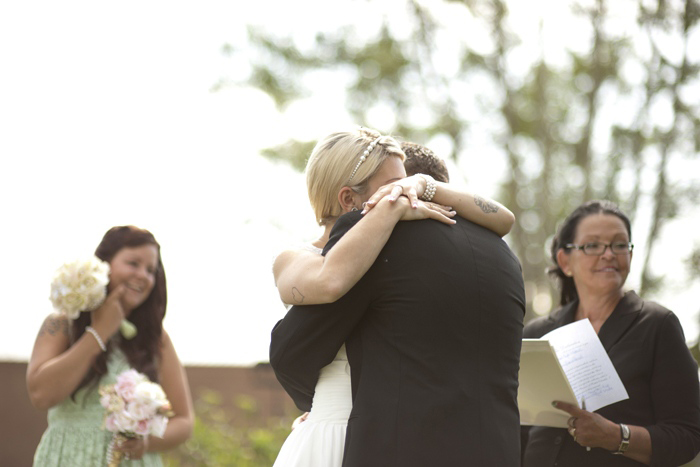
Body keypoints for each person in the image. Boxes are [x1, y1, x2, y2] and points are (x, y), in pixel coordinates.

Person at [270, 128, 526, 466]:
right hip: (339, 430)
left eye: (405, 183)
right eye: (394, 186)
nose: (405, 194)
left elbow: (505, 218)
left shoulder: (395, 239)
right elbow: (329, 283)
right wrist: (390, 209)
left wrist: (421, 186)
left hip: (377, 435)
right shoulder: (300, 257)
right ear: (349, 199)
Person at [521, 200, 700, 467]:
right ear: (565, 260)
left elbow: (688, 437)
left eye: (619, 244)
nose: (608, 254)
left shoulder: (657, 325)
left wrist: (616, 436)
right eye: (593, 245)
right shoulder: (537, 333)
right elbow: (516, 428)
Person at [28, 226, 194, 466]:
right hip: (67, 458)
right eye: (133, 263)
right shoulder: (62, 323)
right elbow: (40, 395)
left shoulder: (156, 339)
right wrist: (100, 332)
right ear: (104, 264)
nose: (142, 275)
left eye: (150, 270)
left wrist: (146, 442)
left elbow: (184, 421)